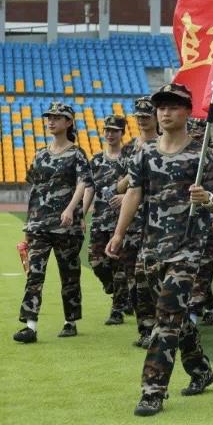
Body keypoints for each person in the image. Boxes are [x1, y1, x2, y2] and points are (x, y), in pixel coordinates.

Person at [107, 82, 213, 417]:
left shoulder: (202, 155)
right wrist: (119, 234)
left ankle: (153, 390)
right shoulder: (145, 153)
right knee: (174, 314)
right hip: (153, 246)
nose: (165, 113)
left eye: (173, 107)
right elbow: (133, 193)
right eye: (161, 107)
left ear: (187, 111)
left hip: (188, 247)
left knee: (167, 316)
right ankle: (200, 368)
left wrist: (207, 199)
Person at [13, 102, 93, 343]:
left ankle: (70, 321)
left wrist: (71, 209)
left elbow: (84, 183)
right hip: (39, 225)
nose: (51, 121)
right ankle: (30, 326)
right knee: (34, 275)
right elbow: (35, 188)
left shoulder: (77, 154)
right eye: (49, 117)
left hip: (66, 226)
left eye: (57, 117)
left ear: (68, 122)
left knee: (69, 275)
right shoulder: (40, 154)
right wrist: (29, 224)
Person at [119, 96, 160, 347]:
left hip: (158, 222)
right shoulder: (129, 149)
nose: (142, 120)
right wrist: (135, 165)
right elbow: (120, 186)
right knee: (135, 280)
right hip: (134, 222)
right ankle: (146, 329)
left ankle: (163, 327)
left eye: (147, 116)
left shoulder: (165, 145)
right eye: (139, 117)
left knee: (156, 279)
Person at [86, 115, 129, 325]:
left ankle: (117, 310)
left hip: (122, 221)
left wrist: (125, 196)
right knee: (96, 261)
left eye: (115, 131)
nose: (110, 134)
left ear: (122, 133)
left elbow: (137, 188)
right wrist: (82, 214)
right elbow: (89, 188)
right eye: (107, 130)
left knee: (119, 266)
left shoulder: (129, 160)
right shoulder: (96, 160)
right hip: (99, 220)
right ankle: (116, 290)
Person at [186, 117, 213, 326]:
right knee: (193, 271)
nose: (197, 136)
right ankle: (209, 306)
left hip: (209, 221)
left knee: (203, 268)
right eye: (193, 132)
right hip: (184, 223)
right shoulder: (183, 156)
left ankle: (191, 317)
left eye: (200, 132)